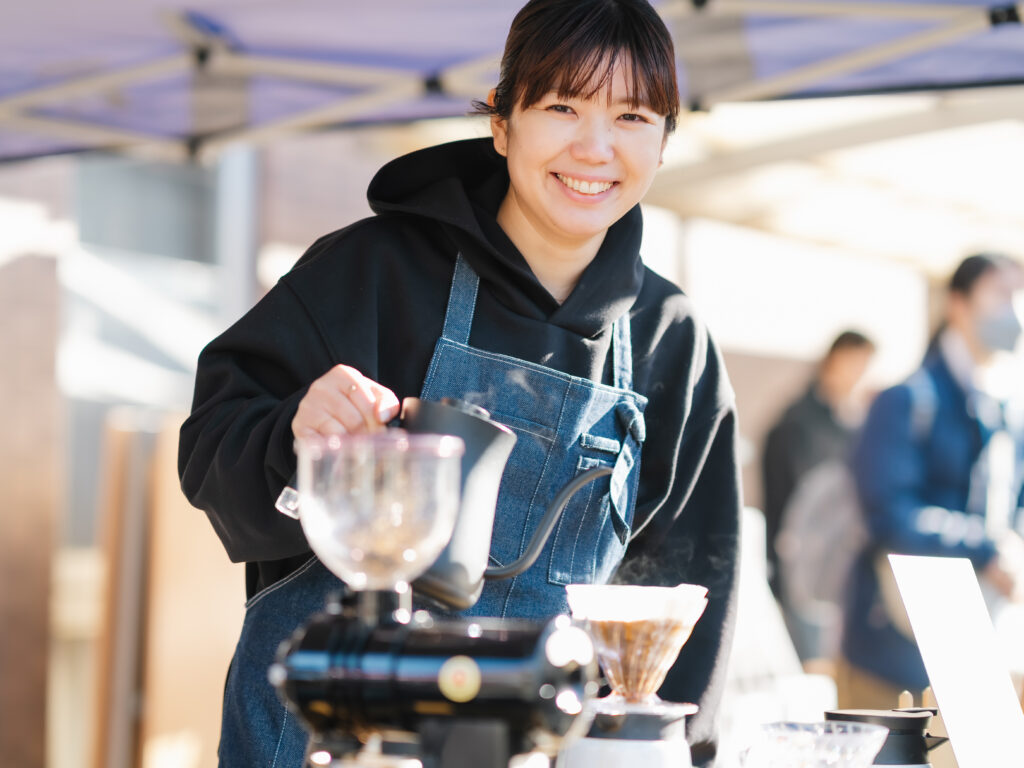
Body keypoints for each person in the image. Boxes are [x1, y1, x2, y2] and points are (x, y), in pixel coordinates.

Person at [178, 1, 742, 765]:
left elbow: (688, 602)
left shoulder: (671, 339)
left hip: (539, 746)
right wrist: (294, 436)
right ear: (503, 124)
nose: (595, 146)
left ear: (665, 141)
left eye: (634, 116)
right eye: (562, 106)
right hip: (325, 739)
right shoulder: (374, 273)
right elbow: (211, 451)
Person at [839, 253, 1024, 708]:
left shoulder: (1005, 412)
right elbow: (890, 515)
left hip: (974, 648)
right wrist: (989, 546)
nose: (1015, 308)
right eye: (1002, 292)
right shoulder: (905, 401)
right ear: (957, 303)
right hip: (893, 654)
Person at [762, 330, 876, 596]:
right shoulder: (799, 425)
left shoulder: (847, 423)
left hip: (830, 566)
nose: (860, 376)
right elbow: (805, 505)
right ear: (836, 360)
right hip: (800, 566)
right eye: (856, 365)